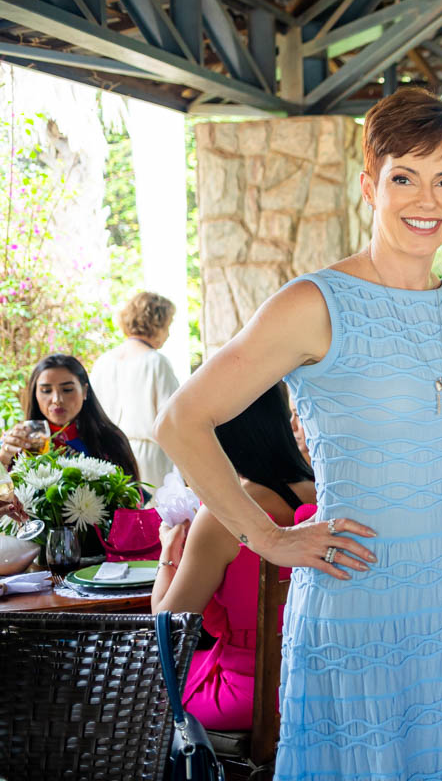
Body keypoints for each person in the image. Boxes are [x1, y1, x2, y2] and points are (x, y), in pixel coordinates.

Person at [155, 88, 442, 779]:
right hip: (359, 602)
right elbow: (181, 420)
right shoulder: (314, 303)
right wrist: (267, 537)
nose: (427, 198)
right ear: (369, 184)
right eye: (404, 177)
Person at [152, 382, 316, 731]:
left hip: (249, 694)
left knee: (143, 687)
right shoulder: (325, 494)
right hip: (322, 687)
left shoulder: (223, 516)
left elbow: (168, 628)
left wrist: (169, 550)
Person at [91, 291, 181, 488]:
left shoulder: (102, 363)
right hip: (150, 460)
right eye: (168, 326)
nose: (168, 334)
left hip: (109, 456)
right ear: (157, 324)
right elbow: (173, 419)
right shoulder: (157, 362)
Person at [1, 354, 139, 481]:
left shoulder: (111, 441)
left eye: (67, 390)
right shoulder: (16, 442)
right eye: (46, 391)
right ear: (35, 394)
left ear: (85, 391)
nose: (56, 399)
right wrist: (3, 460)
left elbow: (133, 501)